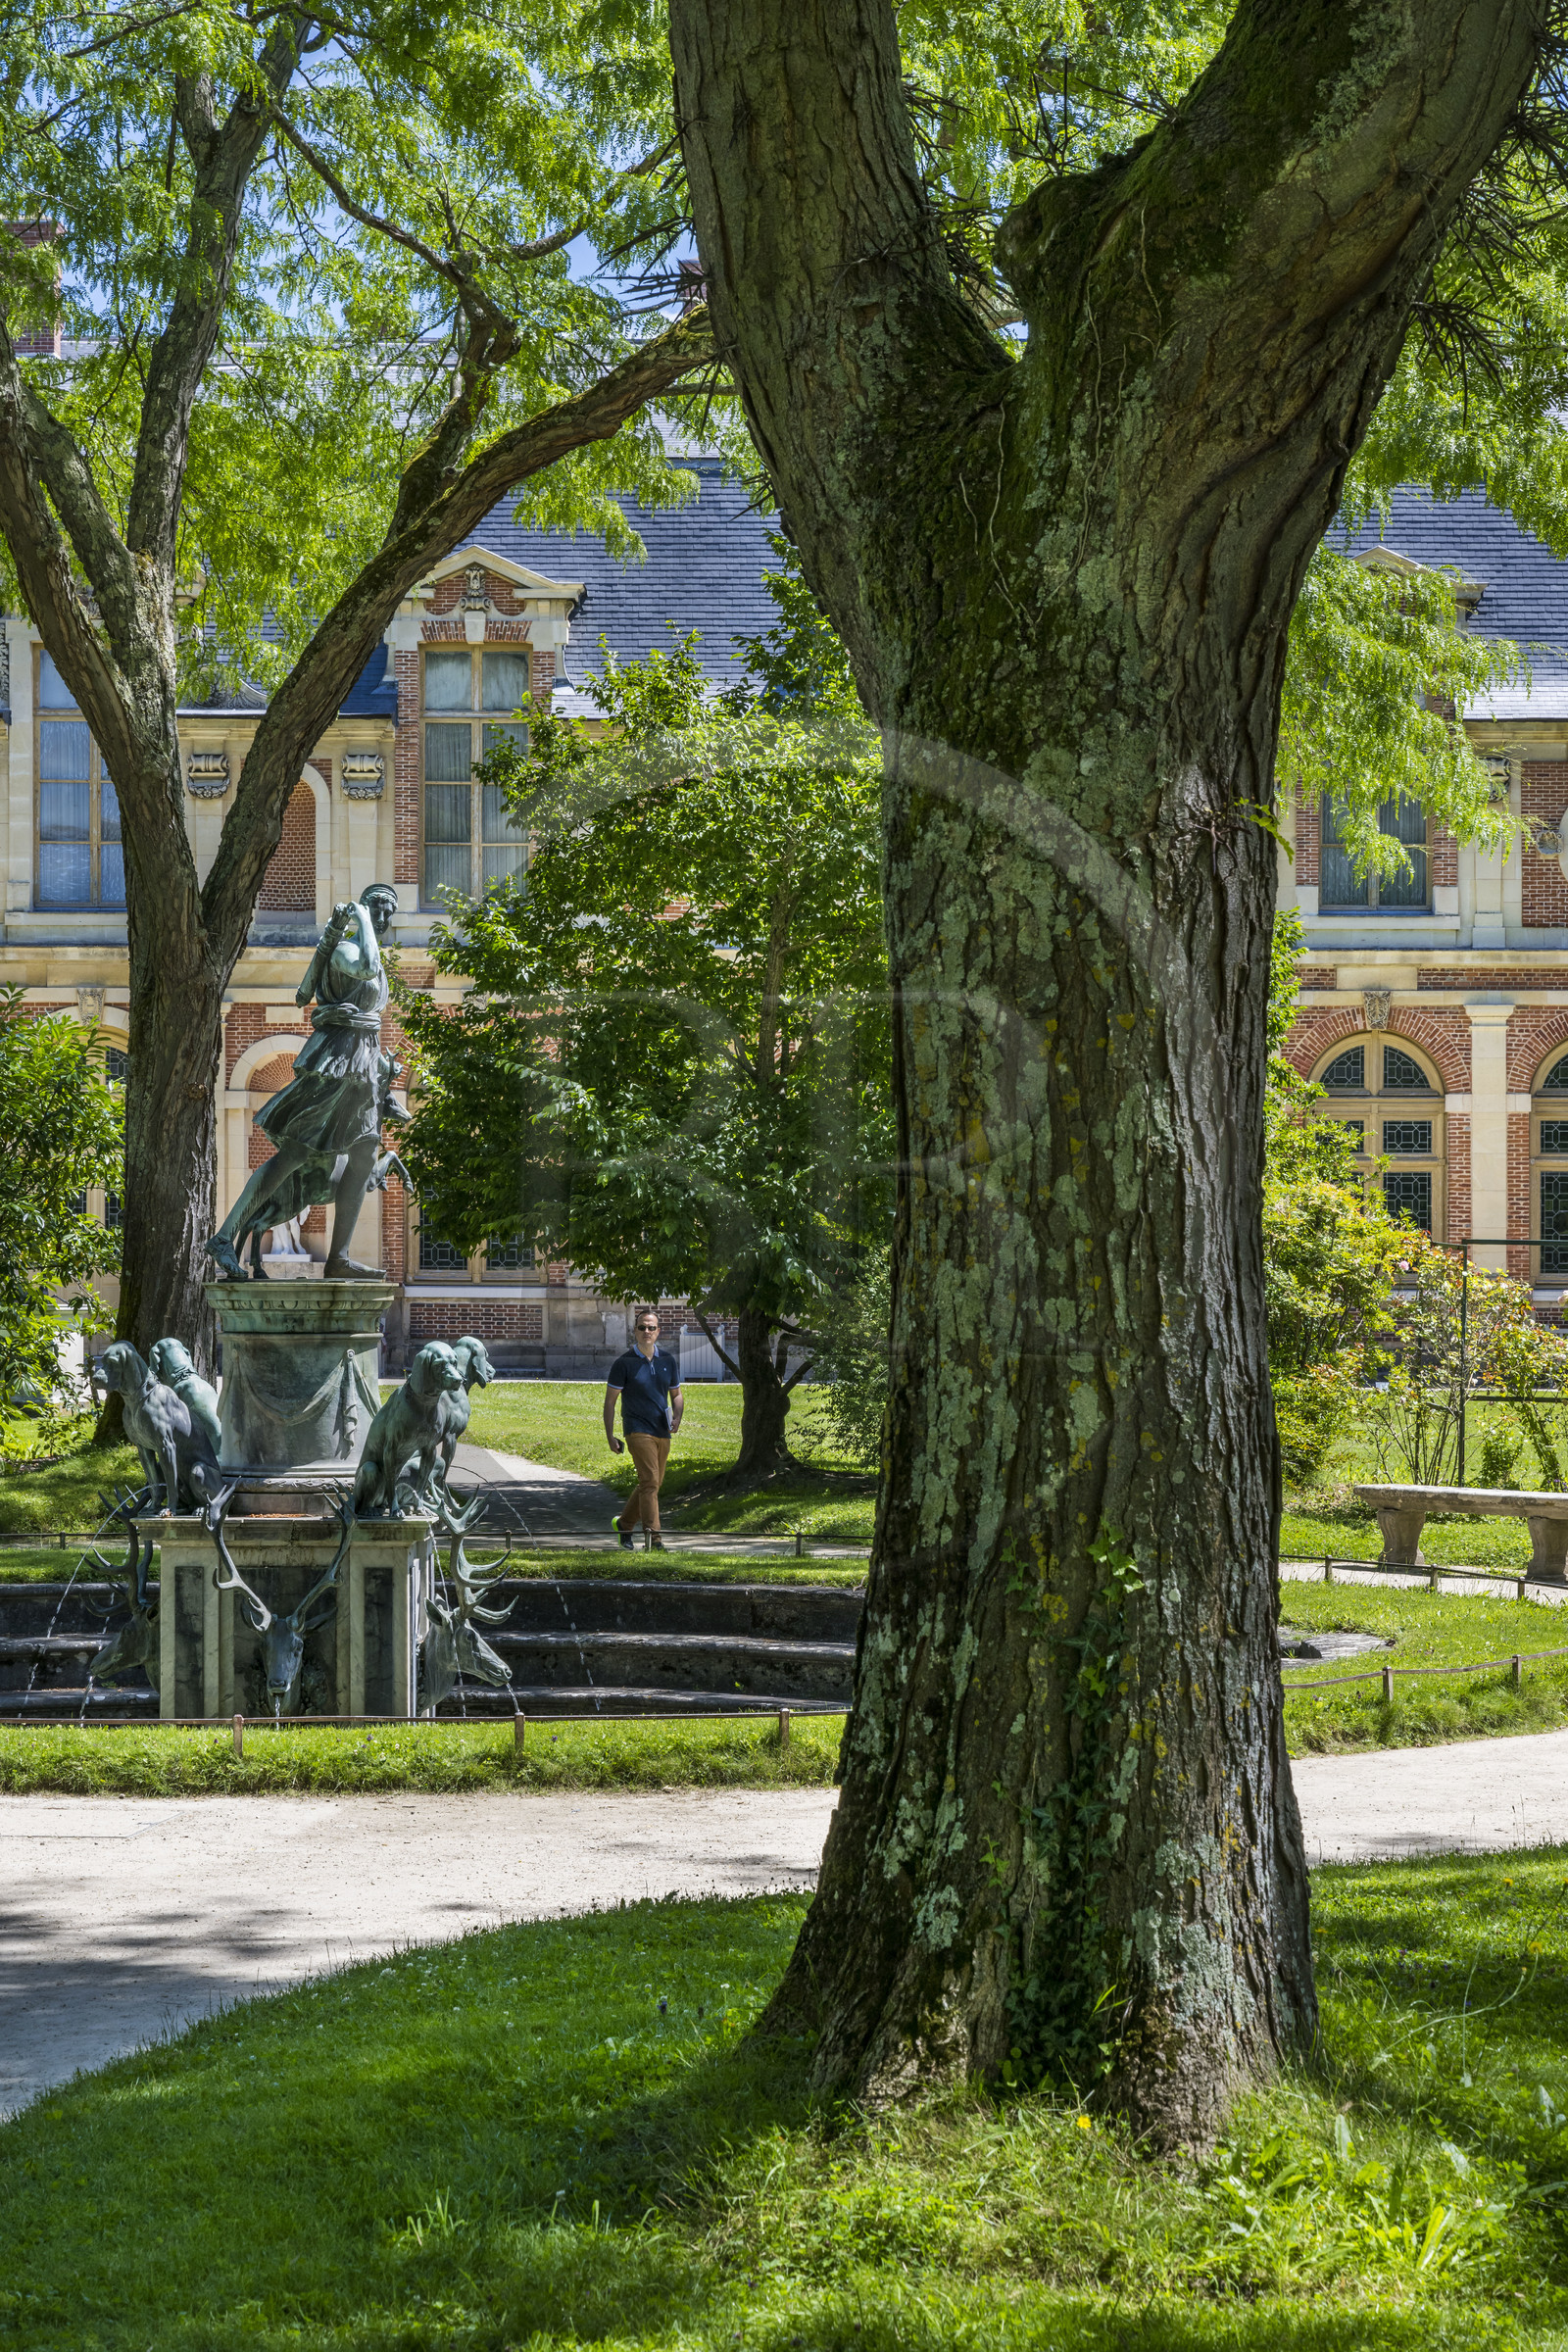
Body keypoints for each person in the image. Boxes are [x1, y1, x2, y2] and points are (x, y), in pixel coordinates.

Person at [207, 884, 402, 1282]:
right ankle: (225, 1237)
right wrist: (359, 920)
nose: (383, 920)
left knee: (364, 1154)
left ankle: (339, 1258)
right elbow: (365, 967)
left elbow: (371, 1006)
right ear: (363, 912)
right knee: (294, 1154)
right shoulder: (348, 951)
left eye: (388, 913)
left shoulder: (375, 960)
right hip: (335, 1063)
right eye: (377, 911)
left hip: (361, 1066)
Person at [604, 1310, 684, 1550]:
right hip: (637, 1429)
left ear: (658, 1331)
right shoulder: (624, 1363)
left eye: (651, 1328)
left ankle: (624, 1524)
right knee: (649, 1482)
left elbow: (676, 1394)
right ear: (635, 1331)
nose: (646, 1332)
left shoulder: (668, 1361)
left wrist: (678, 1417)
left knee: (652, 1484)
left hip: (662, 1430)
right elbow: (610, 1402)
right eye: (642, 1328)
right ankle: (654, 1540)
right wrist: (610, 1436)